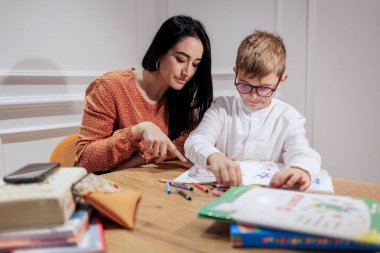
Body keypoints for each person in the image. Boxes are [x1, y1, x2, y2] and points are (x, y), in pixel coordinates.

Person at [184, 30, 321, 191]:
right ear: (236, 73)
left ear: (281, 80)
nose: (253, 96)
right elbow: (194, 141)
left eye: (264, 89)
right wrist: (213, 156)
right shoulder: (221, 109)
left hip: (268, 195)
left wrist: (300, 170)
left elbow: (302, 152)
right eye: (244, 85)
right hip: (223, 191)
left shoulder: (289, 118)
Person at [75, 15, 213, 173]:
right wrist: (137, 131)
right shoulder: (110, 86)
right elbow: (85, 159)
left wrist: (139, 160)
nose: (187, 72)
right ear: (160, 51)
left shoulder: (180, 96)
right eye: (181, 59)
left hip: (138, 183)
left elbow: (185, 141)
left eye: (195, 64)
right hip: (100, 188)